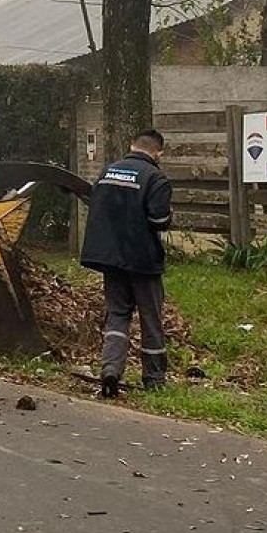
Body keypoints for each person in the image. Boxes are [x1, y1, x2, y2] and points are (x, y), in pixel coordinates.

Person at [80, 129, 173, 398]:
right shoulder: (155, 177)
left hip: (111, 259)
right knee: (150, 318)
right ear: (158, 152)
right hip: (143, 261)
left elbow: (95, 205)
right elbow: (158, 220)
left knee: (117, 315)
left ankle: (111, 370)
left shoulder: (108, 172)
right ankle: (154, 379)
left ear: (132, 146)